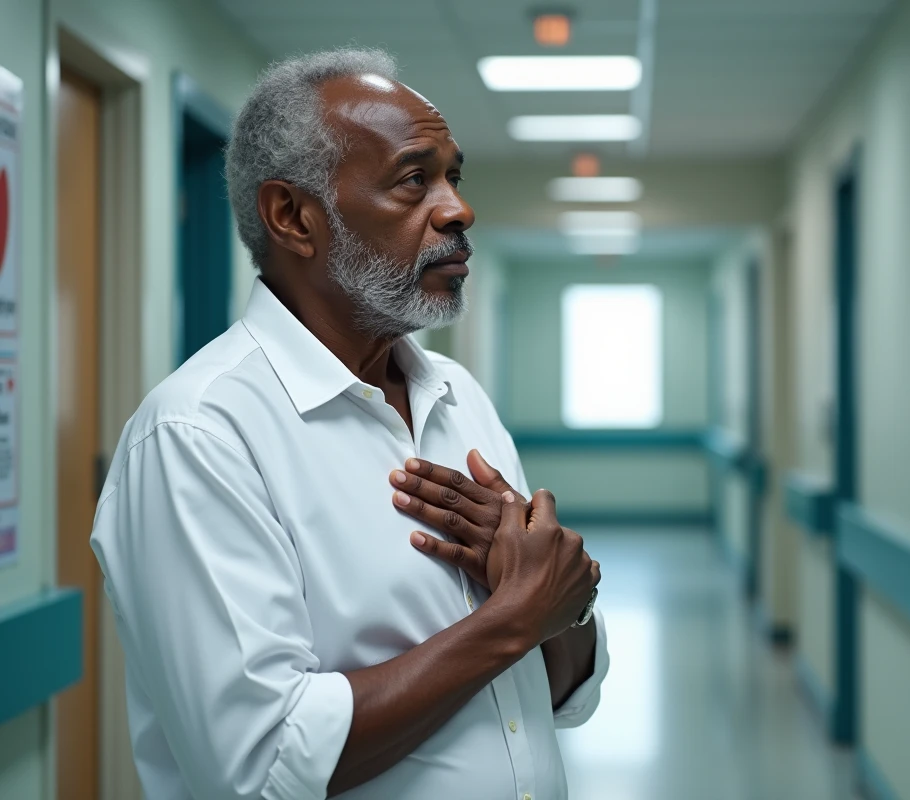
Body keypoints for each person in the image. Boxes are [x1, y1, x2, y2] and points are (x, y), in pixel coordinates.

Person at [90, 48, 606, 800]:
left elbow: (558, 695)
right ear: (293, 217)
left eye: (453, 176)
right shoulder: (198, 436)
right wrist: (513, 620)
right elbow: (262, 767)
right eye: (413, 179)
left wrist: (561, 601)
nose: (458, 210)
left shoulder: (457, 395)